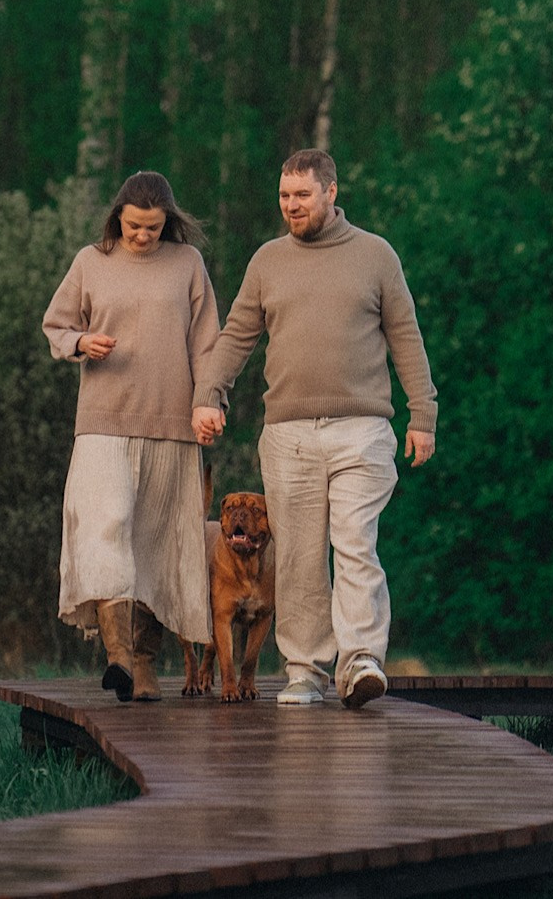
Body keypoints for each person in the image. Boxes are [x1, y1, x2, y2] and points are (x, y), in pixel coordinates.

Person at [192, 149, 436, 710]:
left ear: (330, 191)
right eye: (284, 197)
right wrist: (210, 395)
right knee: (299, 556)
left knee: (354, 542)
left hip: (363, 428)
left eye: (302, 196)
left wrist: (422, 414)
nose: (291, 206)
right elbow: (236, 336)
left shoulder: (376, 256)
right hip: (289, 432)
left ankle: (361, 662)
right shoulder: (267, 261)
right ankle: (304, 670)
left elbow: (406, 336)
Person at [43, 171, 221, 702]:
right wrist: (81, 343)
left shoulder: (187, 264)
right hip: (103, 421)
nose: (143, 235)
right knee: (106, 528)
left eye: (154, 227)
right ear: (118, 215)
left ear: (169, 222)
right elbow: (55, 326)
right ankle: (116, 656)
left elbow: (208, 344)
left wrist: (208, 402)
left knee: (158, 543)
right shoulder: (89, 261)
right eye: (135, 225)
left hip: (172, 423)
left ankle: (144, 665)